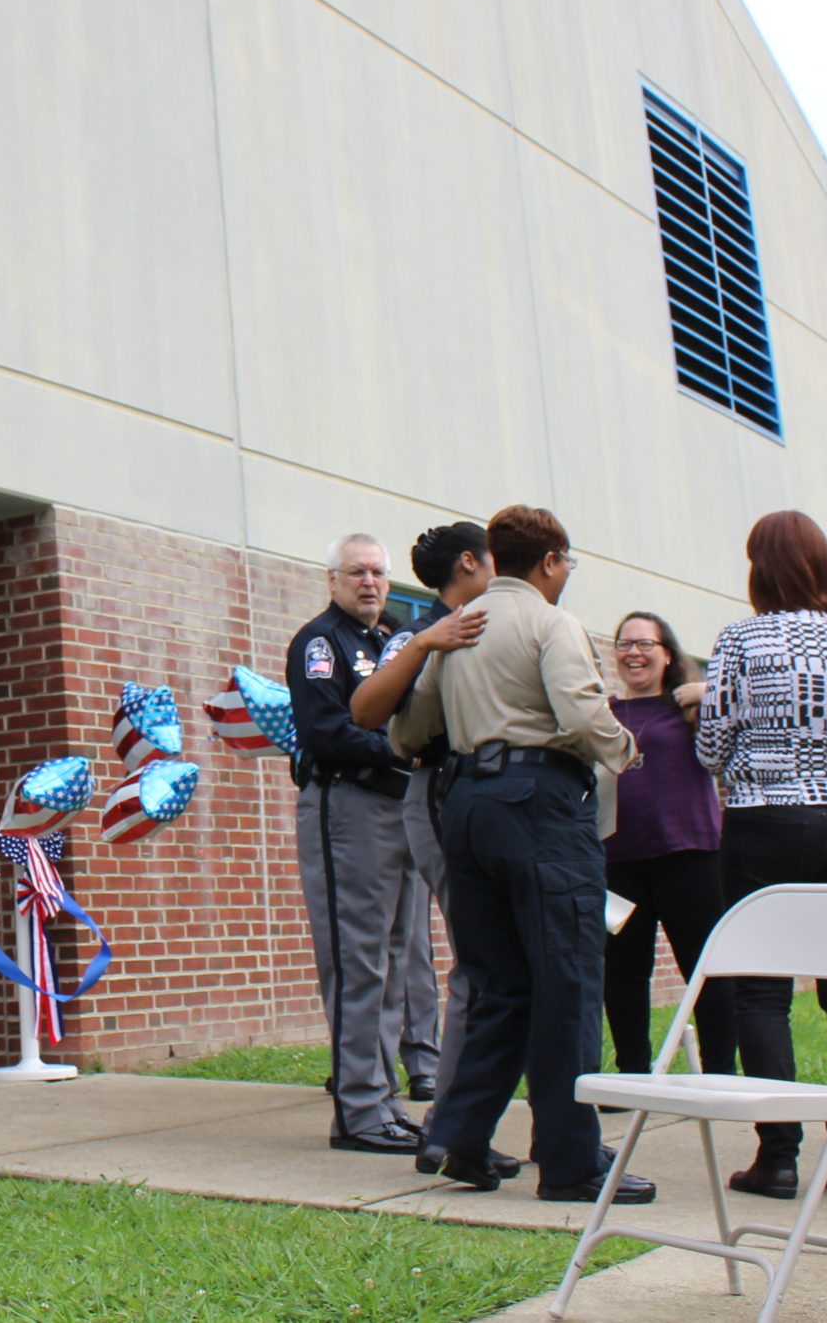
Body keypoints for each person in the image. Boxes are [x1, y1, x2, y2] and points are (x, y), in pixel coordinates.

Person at [387, 505, 651, 1203]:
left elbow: (410, 730)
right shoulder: (549, 621)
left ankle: (460, 1138)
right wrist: (625, 750)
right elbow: (579, 709)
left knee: (498, 982)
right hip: (539, 802)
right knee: (567, 978)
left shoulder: (463, 625)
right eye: (566, 564)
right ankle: (571, 1162)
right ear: (551, 561)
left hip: (467, 805)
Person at [696, 511, 827, 1202]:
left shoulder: (741, 638)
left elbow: (710, 744)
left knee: (761, 988)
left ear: (760, 568)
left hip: (765, 820)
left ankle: (778, 1155)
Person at [288, 532, 483, 1155]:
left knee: (402, 956)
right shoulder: (320, 643)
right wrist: (408, 748)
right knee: (358, 959)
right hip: (348, 806)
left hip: (401, 808)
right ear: (333, 581)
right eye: (356, 573)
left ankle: (383, 1099)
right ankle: (359, 1111)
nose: (369, 582)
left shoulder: (393, 638)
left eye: (377, 572)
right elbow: (326, 731)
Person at [351, 521, 503, 1168]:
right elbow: (365, 708)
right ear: (469, 563)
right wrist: (425, 642)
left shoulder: (498, 620)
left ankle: (458, 1124)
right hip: (438, 791)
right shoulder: (421, 632)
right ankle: (450, 1125)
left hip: (486, 797)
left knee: (495, 962)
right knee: (480, 959)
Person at [602, 612, 735, 1076]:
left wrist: (710, 693)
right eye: (624, 644)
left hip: (689, 856)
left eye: (644, 644)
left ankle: (719, 1072)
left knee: (704, 967)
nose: (633, 652)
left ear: (667, 654)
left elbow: (746, 713)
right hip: (616, 864)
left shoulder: (690, 709)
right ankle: (632, 1072)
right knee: (621, 970)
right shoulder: (603, 712)